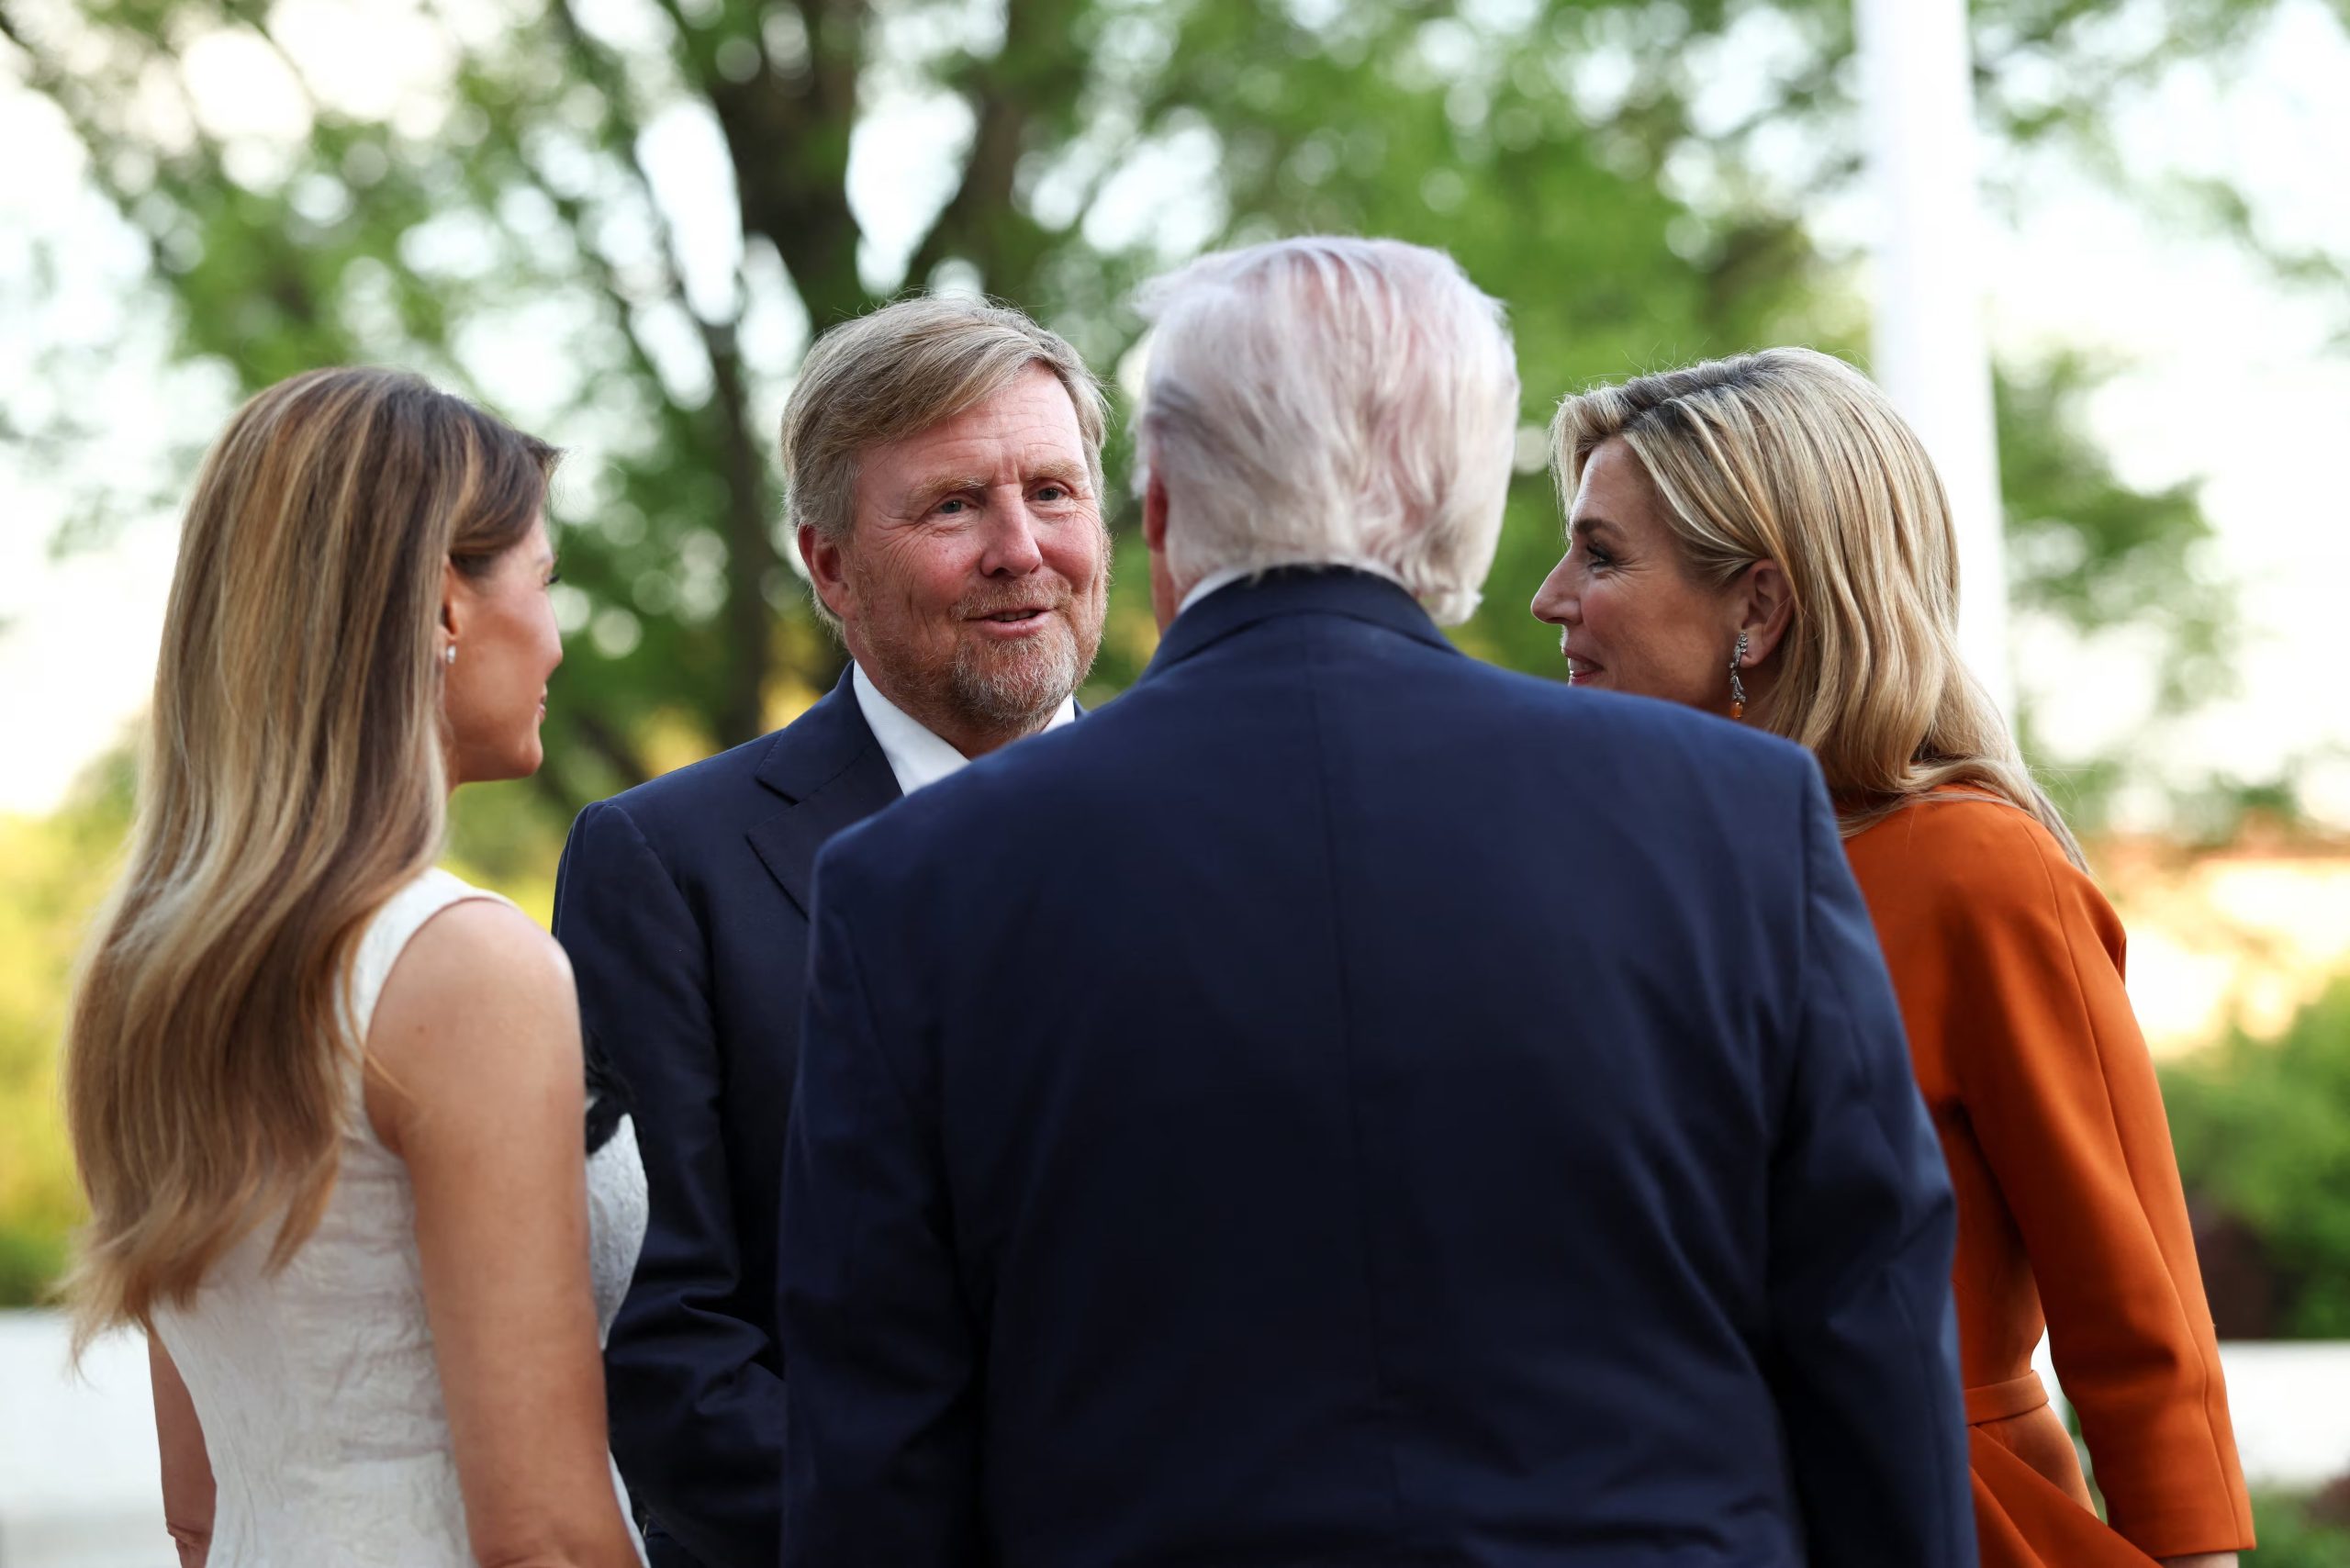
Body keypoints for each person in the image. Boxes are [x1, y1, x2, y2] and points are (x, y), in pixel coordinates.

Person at [778, 238, 1974, 1568]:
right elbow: (1869, 1348)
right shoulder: (1734, 819)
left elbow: (879, 1460)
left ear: (1160, 508)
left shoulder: (912, 884)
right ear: (1463, 506)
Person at [1530, 345, 2254, 1568]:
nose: (1552, 597)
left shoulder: (1980, 871)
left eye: (1601, 556)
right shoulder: (1618, 877)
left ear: (1759, 607)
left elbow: (2136, 1312)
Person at [551, 296, 1111, 1568]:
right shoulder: (663, 867)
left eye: (1054, 493)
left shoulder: (1225, 821)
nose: (1021, 548)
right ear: (831, 566)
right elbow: (663, 1336)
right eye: (954, 506)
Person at [62, 367, 645, 1568]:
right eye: (544, 580)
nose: (555, 635)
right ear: (443, 606)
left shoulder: (151, 975)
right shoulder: (462, 965)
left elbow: (197, 1509)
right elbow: (543, 1534)